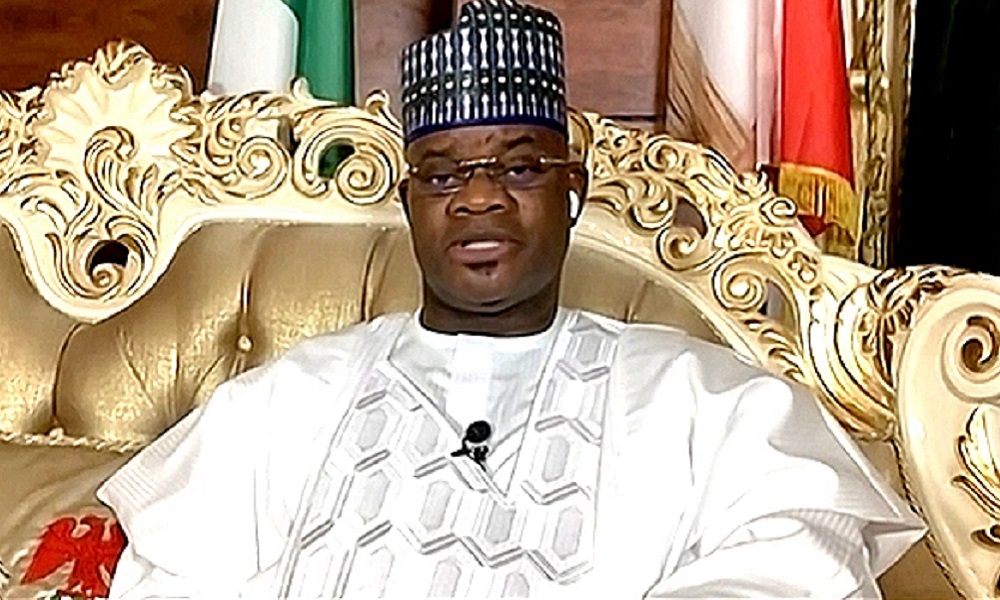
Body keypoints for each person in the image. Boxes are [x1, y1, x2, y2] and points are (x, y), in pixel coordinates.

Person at [98, 0, 924, 597]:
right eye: (443, 174)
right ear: (408, 204)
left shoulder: (708, 403)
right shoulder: (287, 401)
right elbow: (174, 574)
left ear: (573, 191)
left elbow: (802, 558)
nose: (479, 197)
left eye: (521, 167)